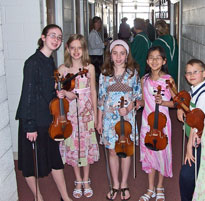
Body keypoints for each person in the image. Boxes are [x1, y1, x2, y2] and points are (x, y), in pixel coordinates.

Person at [16, 24, 72, 201]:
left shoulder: (49, 61)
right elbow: (28, 95)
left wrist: (57, 93)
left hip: (49, 120)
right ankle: (38, 198)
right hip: (33, 121)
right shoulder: (32, 63)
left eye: (59, 37)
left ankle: (65, 196)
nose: (56, 40)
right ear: (43, 37)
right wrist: (29, 126)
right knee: (30, 164)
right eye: (52, 36)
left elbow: (45, 91)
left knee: (55, 159)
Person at [97, 39, 142, 200]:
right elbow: (101, 99)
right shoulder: (104, 74)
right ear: (110, 55)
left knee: (126, 151)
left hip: (127, 119)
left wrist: (129, 108)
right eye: (115, 53)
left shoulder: (133, 74)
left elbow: (138, 98)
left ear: (127, 55)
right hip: (109, 120)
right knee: (112, 152)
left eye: (122, 53)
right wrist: (99, 120)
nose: (118, 57)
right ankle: (115, 183)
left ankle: (124, 183)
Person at [57, 34, 99, 199]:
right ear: (67, 48)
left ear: (84, 50)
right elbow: (57, 90)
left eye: (79, 48)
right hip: (70, 113)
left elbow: (93, 91)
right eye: (72, 47)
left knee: (86, 144)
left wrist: (95, 114)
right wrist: (63, 92)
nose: (76, 51)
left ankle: (86, 179)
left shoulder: (89, 68)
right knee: (73, 145)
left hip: (86, 111)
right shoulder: (63, 69)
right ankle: (78, 179)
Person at [138, 46, 175, 201]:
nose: (154, 60)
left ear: (164, 61)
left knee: (161, 153)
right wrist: (135, 103)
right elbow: (143, 100)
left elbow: (176, 102)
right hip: (147, 122)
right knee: (149, 154)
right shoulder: (144, 80)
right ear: (147, 61)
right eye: (151, 57)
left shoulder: (168, 80)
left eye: (158, 57)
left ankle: (160, 186)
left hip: (162, 124)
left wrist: (164, 102)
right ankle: (150, 188)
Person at [178, 59, 205, 201]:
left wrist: (189, 147)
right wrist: (181, 108)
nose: (191, 75)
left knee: (186, 176)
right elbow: (188, 106)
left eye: (195, 72)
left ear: (204, 73)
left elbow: (197, 123)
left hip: (197, 141)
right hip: (193, 139)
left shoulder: (203, 95)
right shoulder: (194, 90)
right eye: (188, 73)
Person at [152, 20, 178, 84]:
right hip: (175, 67)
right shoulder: (173, 39)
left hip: (164, 69)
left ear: (157, 30)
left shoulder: (157, 42)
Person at [88, 16, 105, 83]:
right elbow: (93, 46)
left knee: (98, 72)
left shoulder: (97, 32)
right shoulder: (92, 34)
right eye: (96, 22)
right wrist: (103, 44)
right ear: (93, 24)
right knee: (96, 73)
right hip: (94, 57)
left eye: (99, 22)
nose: (98, 24)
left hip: (98, 55)